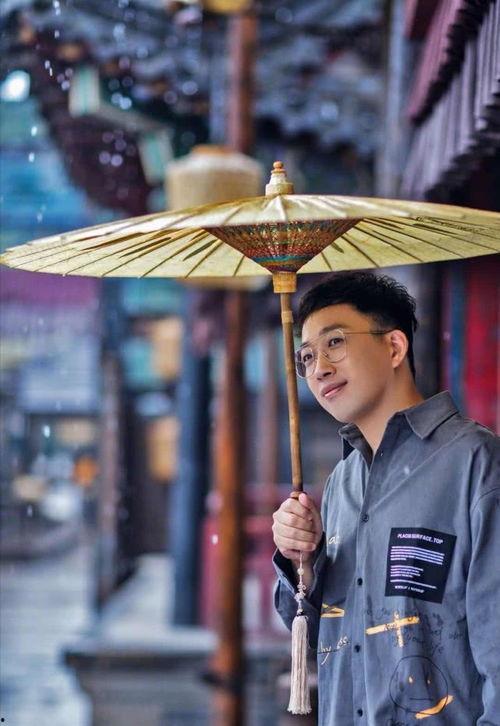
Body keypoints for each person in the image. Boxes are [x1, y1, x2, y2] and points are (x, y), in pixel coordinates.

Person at [272, 271, 500, 725]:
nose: (319, 368)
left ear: (394, 347)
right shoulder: (342, 482)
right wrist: (302, 562)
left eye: (335, 343)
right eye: (307, 355)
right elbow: (328, 638)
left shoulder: (474, 463)